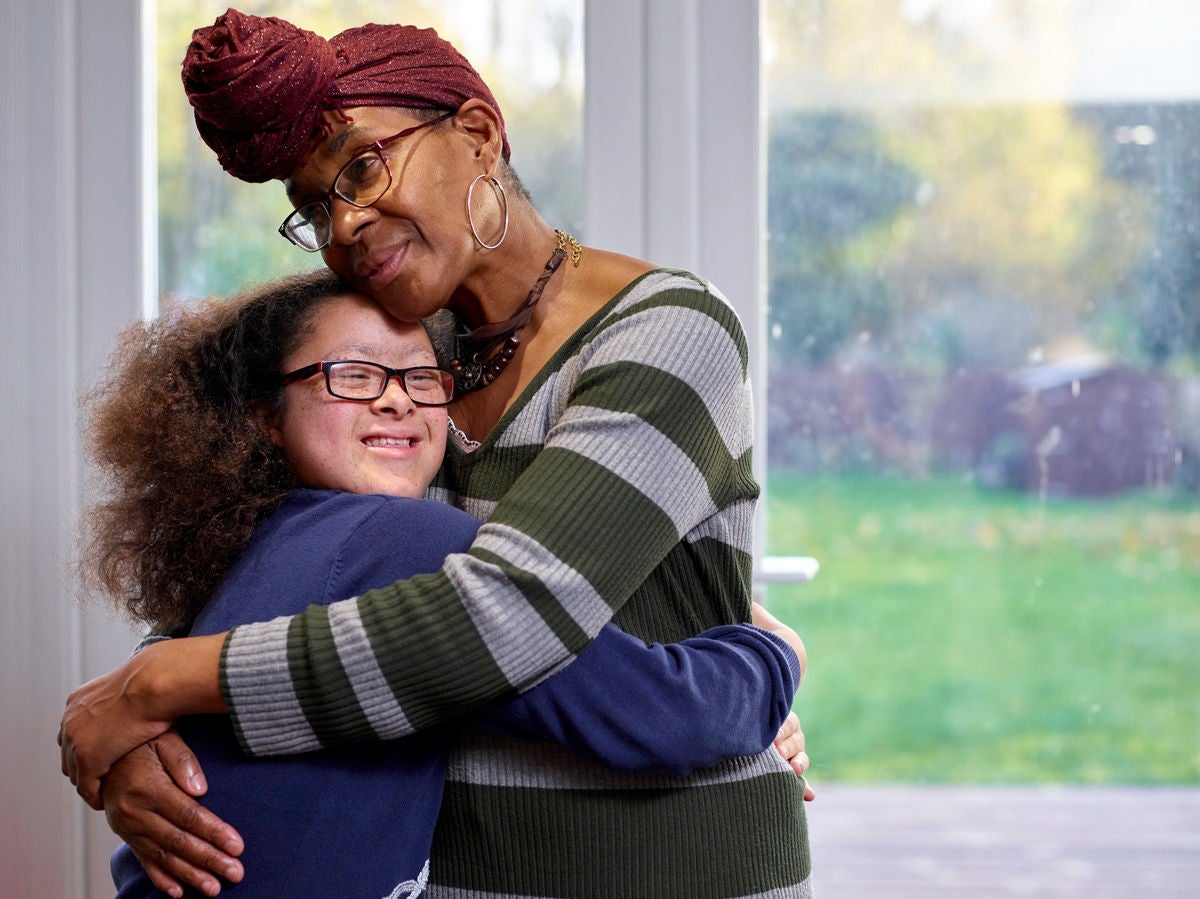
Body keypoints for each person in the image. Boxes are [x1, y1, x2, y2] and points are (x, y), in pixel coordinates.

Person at [60, 9, 814, 898]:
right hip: (450, 873)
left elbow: (509, 614)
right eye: (313, 206)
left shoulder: (666, 331)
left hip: (674, 866)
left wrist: (162, 682)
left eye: (362, 166)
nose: (343, 223)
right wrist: (152, 733)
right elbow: (285, 555)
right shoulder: (409, 360)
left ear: (479, 133)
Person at [88, 270, 803, 897]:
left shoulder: (263, 538)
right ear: (266, 416)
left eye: (421, 377)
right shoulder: (408, 539)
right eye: (355, 374)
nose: (397, 399)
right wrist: (777, 654)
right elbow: (664, 713)